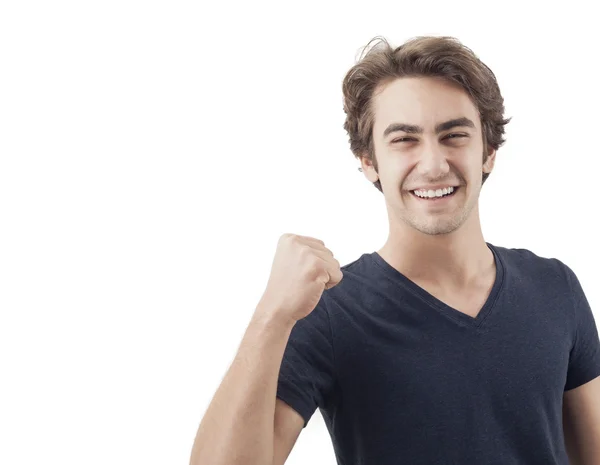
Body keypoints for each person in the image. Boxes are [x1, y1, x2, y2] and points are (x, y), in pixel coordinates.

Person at [189, 35, 600, 465]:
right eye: (404, 139)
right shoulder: (328, 311)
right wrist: (270, 315)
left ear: (489, 151)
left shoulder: (556, 288)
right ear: (368, 160)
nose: (434, 164)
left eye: (454, 135)